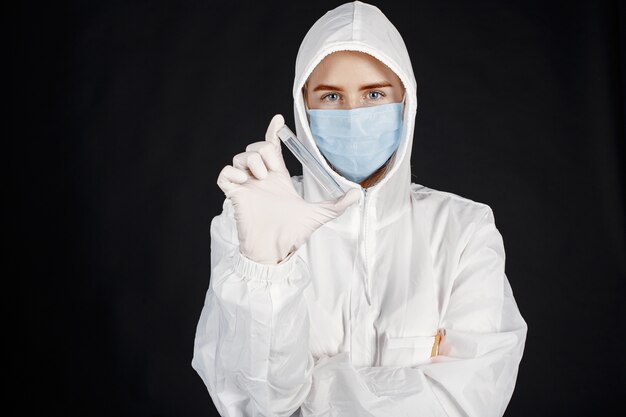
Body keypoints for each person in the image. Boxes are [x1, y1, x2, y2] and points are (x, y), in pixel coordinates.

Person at [192, 1, 527, 416]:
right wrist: (266, 268)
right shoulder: (249, 223)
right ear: (303, 108)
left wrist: (309, 392)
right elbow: (250, 402)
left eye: (374, 93)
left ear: (406, 101)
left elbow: (467, 401)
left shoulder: (463, 232)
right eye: (330, 95)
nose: (353, 114)